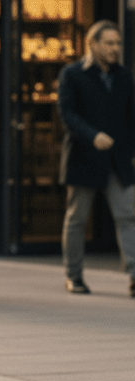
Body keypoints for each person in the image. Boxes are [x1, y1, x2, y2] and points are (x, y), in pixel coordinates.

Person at [57, 20, 135, 296]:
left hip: (118, 160)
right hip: (84, 156)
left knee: (128, 215)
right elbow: (68, 114)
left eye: (118, 43)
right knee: (77, 219)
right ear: (93, 44)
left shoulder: (125, 76)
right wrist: (93, 136)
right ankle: (73, 275)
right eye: (109, 43)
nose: (115, 48)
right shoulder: (72, 74)